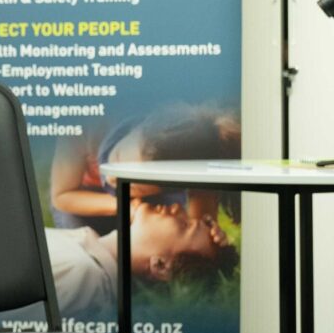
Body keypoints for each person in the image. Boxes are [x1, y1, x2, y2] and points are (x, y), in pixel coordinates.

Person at [50, 104, 241, 235]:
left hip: (146, 207)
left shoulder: (193, 166)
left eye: (133, 185)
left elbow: (200, 232)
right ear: (137, 128)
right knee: (81, 240)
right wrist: (126, 205)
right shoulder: (89, 122)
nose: (113, 179)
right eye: (117, 157)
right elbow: (62, 196)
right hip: (82, 200)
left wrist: (210, 237)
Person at [46, 201, 239, 315]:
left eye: (183, 225)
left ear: (161, 266)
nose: (176, 208)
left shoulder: (81, 274)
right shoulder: (82, 257)